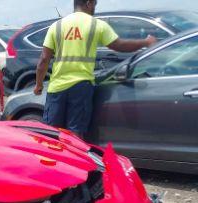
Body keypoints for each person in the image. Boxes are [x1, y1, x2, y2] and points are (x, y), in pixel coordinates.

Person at [34, 0, 157, 137]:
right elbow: (119, 45)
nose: (94, 8)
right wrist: (146, 42)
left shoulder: (56, 26)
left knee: (51, 135)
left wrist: (38, 85)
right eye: (94, 4)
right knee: (75, 136)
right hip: (81, 87)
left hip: (56, 88)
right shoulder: (96, 25)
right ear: (88, 3)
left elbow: (43, 60)